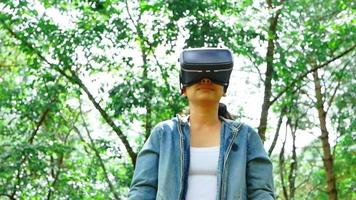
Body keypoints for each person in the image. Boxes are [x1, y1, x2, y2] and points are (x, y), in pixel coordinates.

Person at [128, 48, 275, 200]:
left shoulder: (245, 136)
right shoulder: (164, 134)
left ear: (225, 89)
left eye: (214, 74)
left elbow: (261, 192)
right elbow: (143, 190)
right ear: (183, 89)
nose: (205, 79)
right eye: (196, 74)